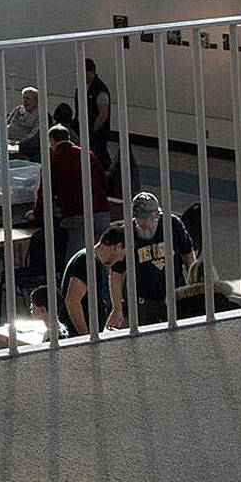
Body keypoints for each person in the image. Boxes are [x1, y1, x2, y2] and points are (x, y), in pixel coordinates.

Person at [107, 191, 196, 327]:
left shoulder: (172, 225)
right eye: (138, 218)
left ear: (156, 215)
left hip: (175, 295)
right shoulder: (127, 233)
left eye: (146, 218)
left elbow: (189, 257)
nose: (143, 222)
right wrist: (117, 307)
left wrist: (193, 287)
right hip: (144, 302)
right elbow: (116, 274)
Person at [24, 125, 111, 266]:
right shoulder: (87, 154)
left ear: (51, 141)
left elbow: (46, 193)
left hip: (76, 214)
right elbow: (104, 181)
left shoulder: (53, 160)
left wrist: (36, 214)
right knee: (103, 257)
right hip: (101, 211)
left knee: (76, 261)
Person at [59, 223, 125, 336]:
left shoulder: (92, 261)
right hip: (77, 337)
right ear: (117, 247)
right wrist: (85, 337)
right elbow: (72, 302)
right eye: (123, 252)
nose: (122, 258)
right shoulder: (86, 261)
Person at [80, 58, 113, 169]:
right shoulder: (81, 87)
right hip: (85, 130)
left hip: (97, 134)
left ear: (91, 72)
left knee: (98, 158)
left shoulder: (100, 90)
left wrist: (93, 130)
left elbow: (103, 114)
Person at [6, 87, 43, 161]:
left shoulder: (40, 114)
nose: (25, 101)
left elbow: (35, 134)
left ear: (36, 101)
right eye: (23, 98)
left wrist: (19, 143)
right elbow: (7, 123)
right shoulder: (17, 110)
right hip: (8, 144)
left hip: (24, 149)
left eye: (27, 98)